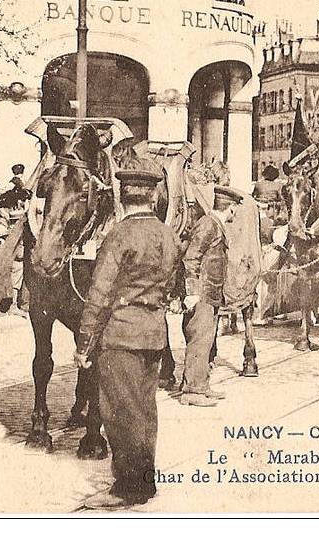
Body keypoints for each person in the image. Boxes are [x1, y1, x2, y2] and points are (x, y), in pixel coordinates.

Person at [73, 163, 183, 509]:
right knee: (145, 412)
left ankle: (127, 488)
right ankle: (144, 482)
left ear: (122, 196)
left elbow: (99, 293)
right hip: (154, 335)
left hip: (120, 335)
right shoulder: (168, 235)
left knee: (120, 414)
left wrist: (85, 343)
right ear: (153, 195)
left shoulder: (119, 236)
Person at [180, 185, 242, 406]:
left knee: (206, 341)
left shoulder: (215, 224)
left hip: (211, 293)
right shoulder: (208, 224)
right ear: (231, 208)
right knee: (199, 340)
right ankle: (192, 391)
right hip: (203, 295)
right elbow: (191, 258)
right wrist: (192, 292)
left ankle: (202, 385)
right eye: (236, 208)